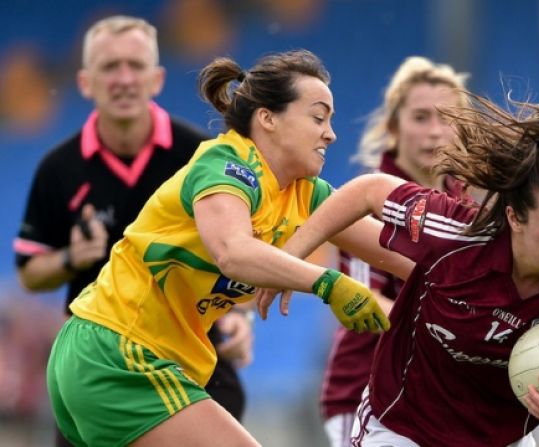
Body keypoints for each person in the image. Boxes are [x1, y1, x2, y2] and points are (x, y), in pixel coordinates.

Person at [45, 47, 404, 446]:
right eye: (318, 117)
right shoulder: (227, 164)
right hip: (120, 351)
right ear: (267, 118)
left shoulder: (303, 195)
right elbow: (232, 252)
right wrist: (329, 284)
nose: (330, 133)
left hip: (122, 356)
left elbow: (400, 255)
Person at [261, 93, 539, 446]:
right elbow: (368, 191)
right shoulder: (455, 236)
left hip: (504, 441)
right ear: (515, 218)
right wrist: (289, 259)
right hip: (402, 430)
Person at [12, 15, 252, 445]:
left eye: (135, 66)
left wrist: (239, 316)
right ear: (85, 82)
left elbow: (237, 249)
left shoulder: (198, 157)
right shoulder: (58, 169)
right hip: (94, 365)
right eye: (110, 67)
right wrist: (71, 257)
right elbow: (29, 272)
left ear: (156, 78)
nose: (124, 79)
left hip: (187, 356)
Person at [319, 55, 471, 447]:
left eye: (446, 119)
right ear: (393, 126)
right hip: (364, 394)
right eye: (421, 117)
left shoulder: (466, 201)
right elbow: (362, 301)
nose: (435, 132)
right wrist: (458, 331)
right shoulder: (369, 199)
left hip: (435, 400)